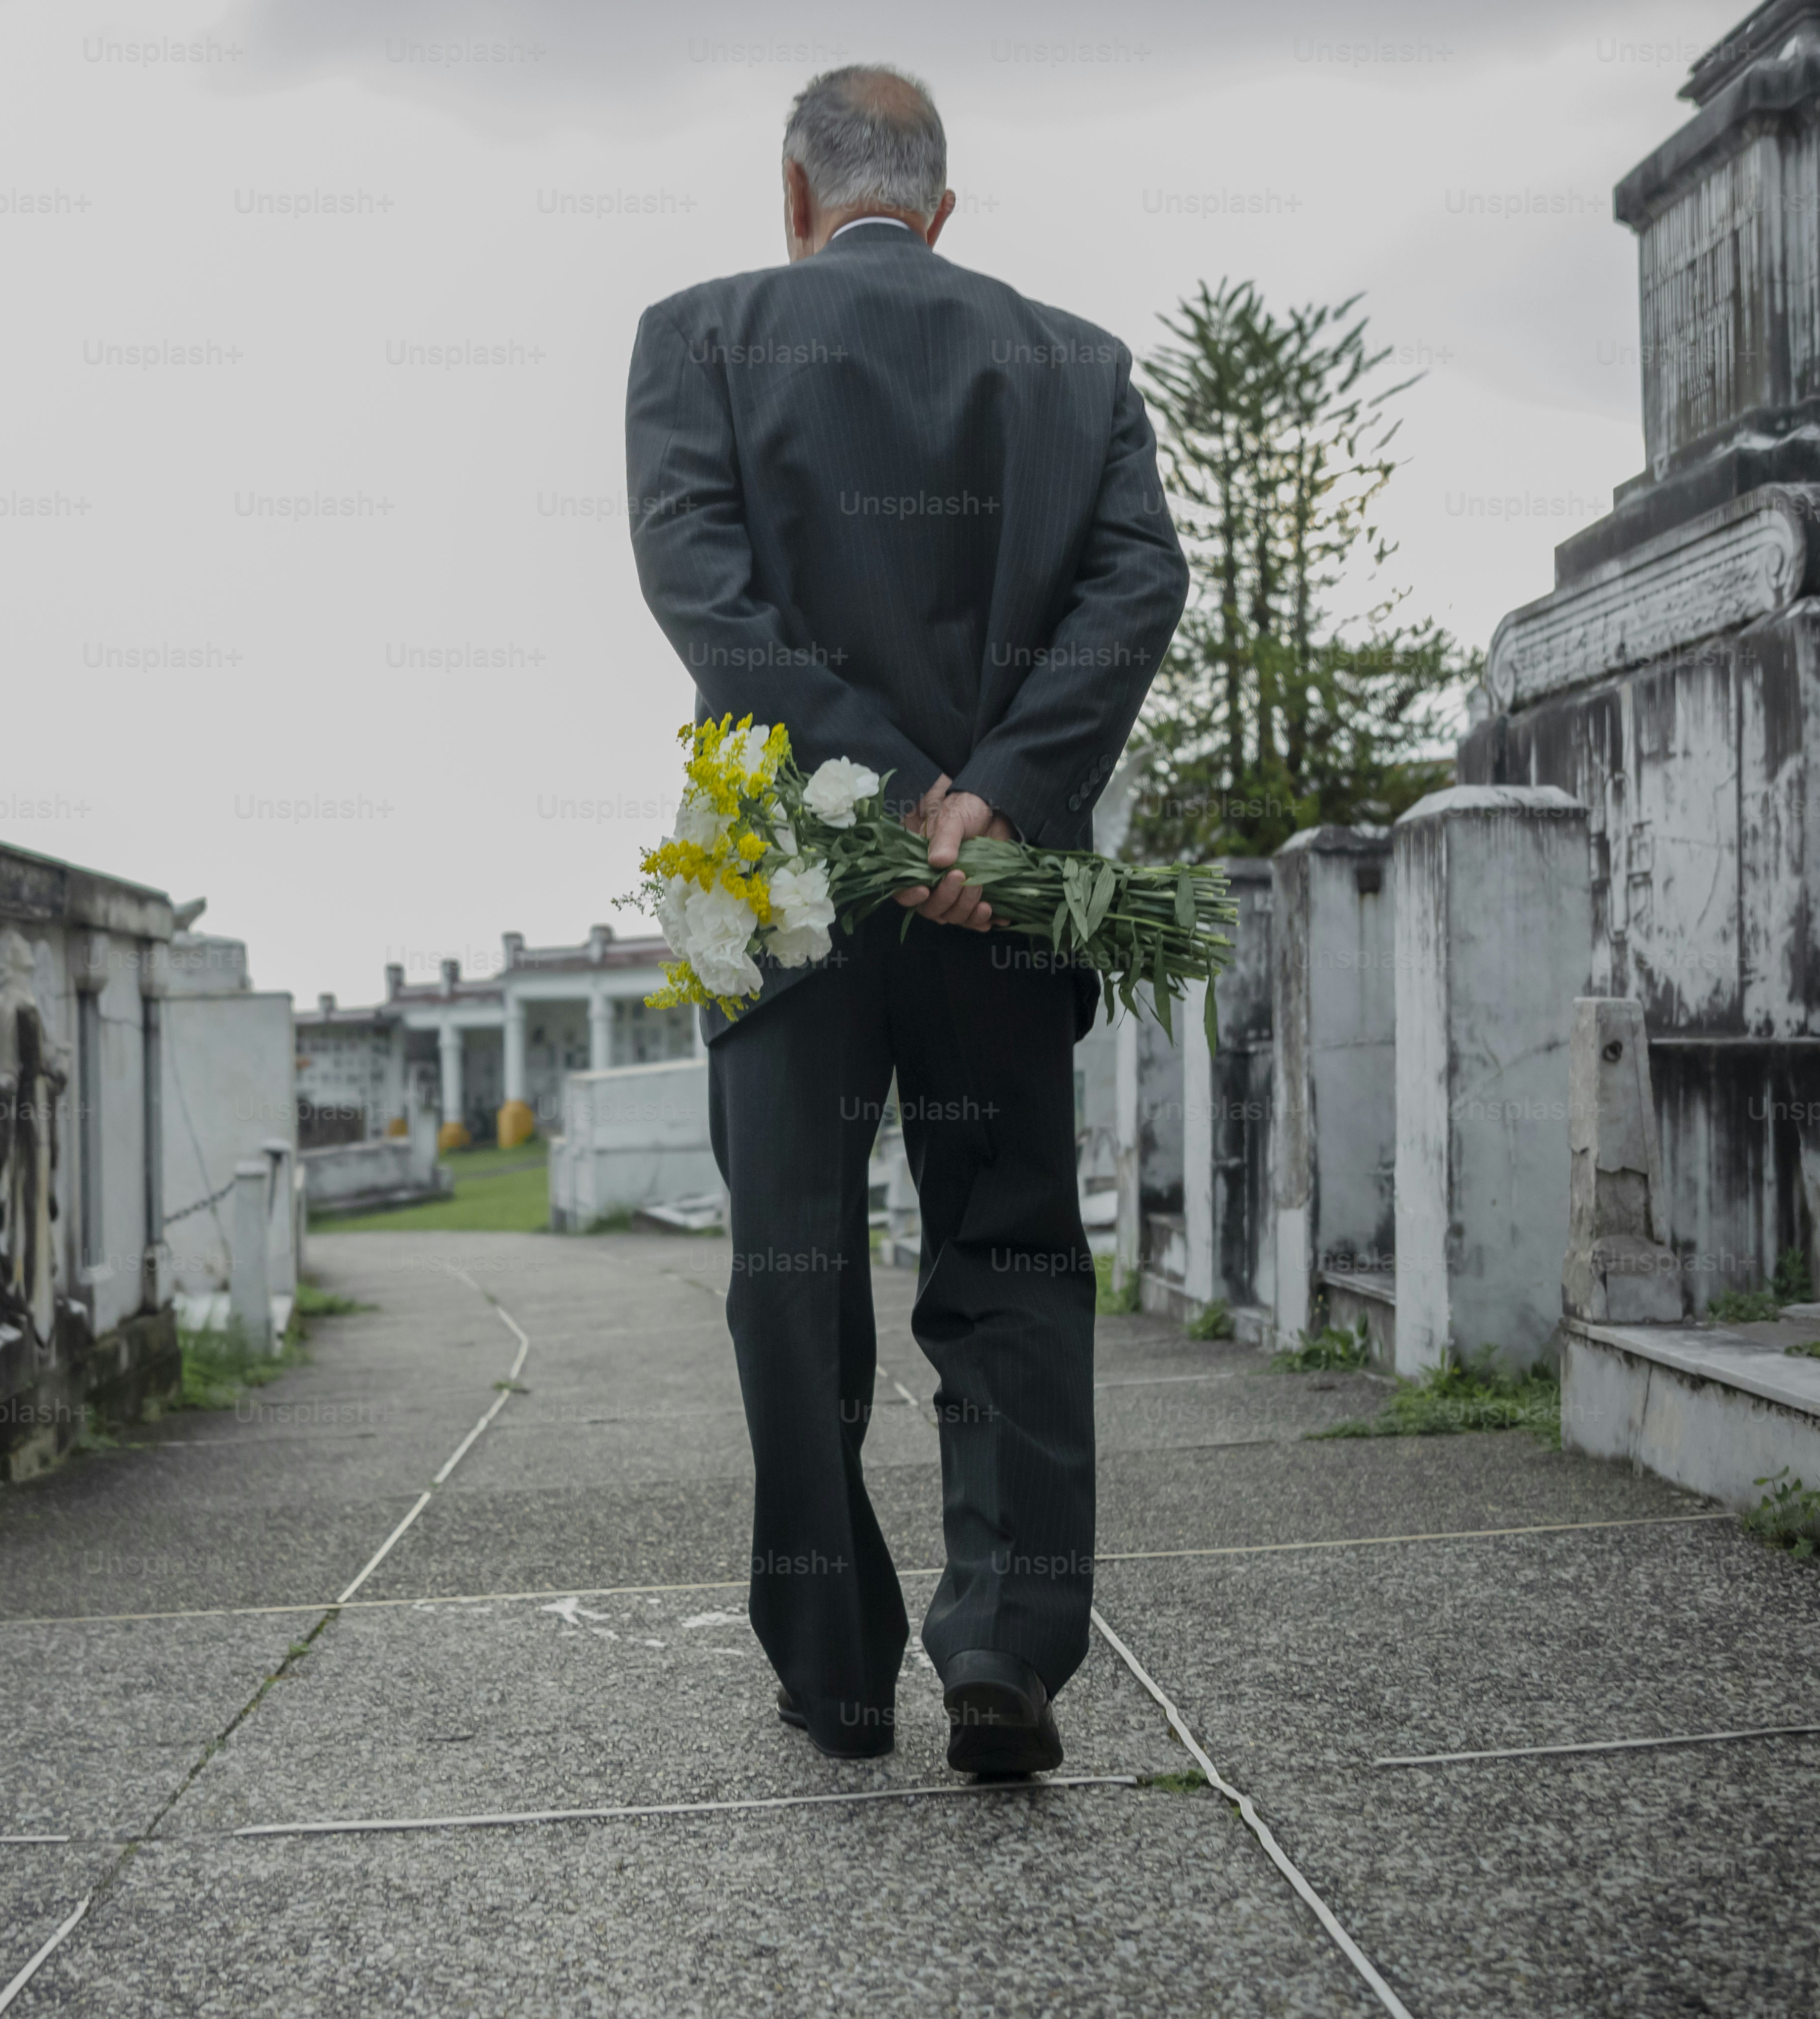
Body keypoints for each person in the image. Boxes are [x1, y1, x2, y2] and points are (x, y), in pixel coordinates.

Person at [625, 65, 1187, 1776]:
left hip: (778, 880)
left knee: (789, 1263)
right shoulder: (1080, 366)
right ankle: (1006, 1640)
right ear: (942, 206)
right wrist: (989, 798)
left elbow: (702, 596)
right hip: (1000, 893)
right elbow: (1138, 580)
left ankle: (837, 1664)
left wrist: (876, 787)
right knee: (1011, 1245)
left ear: (792, 193)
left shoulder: (695, 336)